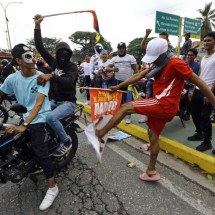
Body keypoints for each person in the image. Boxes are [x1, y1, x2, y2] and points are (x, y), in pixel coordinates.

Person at [95, 38, 215, 181]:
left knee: (126, 107)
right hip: (161, 104)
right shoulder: (158, 63)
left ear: (163, 54)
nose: (153, 60)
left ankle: (101, 133)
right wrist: (118, 86)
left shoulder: (176, 63)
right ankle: (151, 170)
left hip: (164, 104)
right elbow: (139, 75)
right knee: (152, 135)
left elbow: (200, 82)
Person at [0, 44, 58, 210]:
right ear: (18, 60)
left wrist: (24, 125)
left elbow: (39, 104)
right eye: (27, 56)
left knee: (41, 152)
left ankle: (53, 188)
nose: (32, 59)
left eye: (32, 55)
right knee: (10, 142)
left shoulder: (40, 77)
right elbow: (1, 93)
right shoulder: (13, 79)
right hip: (26, 116)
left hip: (40, 117)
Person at [34, 14, 78, 157]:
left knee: (51, 117)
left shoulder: (72, 67)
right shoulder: (54, 63)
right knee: (35, 113)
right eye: (61, 52)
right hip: (54, 101)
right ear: (57, 54)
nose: (63, 54)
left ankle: (65, 141)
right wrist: (37, 25)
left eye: (66, 52)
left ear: (69, 54)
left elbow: (69, 82)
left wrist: (52, 75)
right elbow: (40, 46)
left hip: (68, 103)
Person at [188, 32, 215, 152]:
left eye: (209, 40)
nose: (205, 43)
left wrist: (210, 94)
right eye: (204, 41)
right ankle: (199, 133)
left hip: (209, 91)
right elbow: (200, 74)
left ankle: (207, 141)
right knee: (194, 113)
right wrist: (194, 89)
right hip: (198, 90)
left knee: (205, 117)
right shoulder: (203, 57)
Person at [106, 42, 138, 124]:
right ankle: (120, 114)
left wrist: (135, 80)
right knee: (119, 99)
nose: (121, 49)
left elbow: (136, 70)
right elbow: (107, 68)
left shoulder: (130, 57)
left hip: (128, 82)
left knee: (128, 100)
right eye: (119, 48)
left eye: (122, 48)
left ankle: (128, 116)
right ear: (117, 49)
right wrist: (113, 69)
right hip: (118, 82)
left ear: (125, 48)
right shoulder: (114, 58)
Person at [183, 48, 200, 120]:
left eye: (191, 55)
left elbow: (199, 77)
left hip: (192, 86)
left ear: (195, 56)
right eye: (188, 55)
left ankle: (188, 113)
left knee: (190, 97)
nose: (189, 57)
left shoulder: (198, 65)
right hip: (183, 85)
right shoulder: (184, 64)